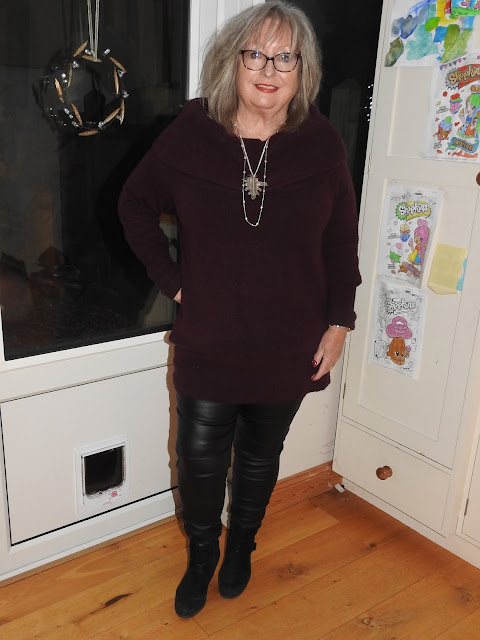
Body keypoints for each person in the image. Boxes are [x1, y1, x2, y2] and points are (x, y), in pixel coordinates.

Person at [118, 0, 360, 619]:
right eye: (256, 54)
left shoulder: (322, 145)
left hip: (290, 342)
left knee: (259, 457)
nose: (269, 70)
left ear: (303, 71)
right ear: (233, 62)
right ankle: (202, 553)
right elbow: (133, 206)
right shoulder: (192, 135)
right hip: (210, 339)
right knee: (198, 463)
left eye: (286, 57)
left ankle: (242, 546)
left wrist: (340, 321)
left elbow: (340, 242)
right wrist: (175, 283)